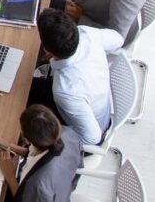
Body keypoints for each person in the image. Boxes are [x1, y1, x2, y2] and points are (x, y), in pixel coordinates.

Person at [28, 9, 122, 146]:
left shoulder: (65, 90)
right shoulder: (88, 34)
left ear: (47, 50)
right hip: (93, 108)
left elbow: (92, 138)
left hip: (82, 130)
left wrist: (55, 144)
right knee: (22, 85)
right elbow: (118, 39)